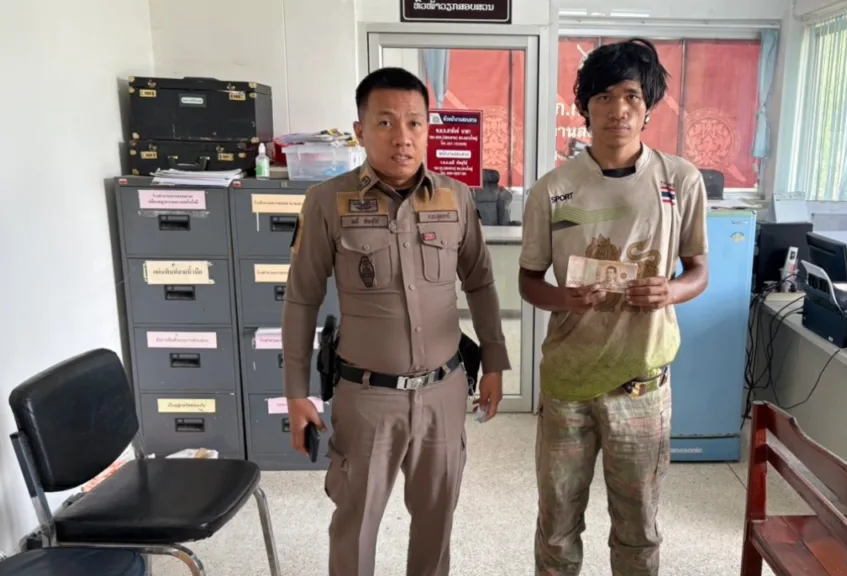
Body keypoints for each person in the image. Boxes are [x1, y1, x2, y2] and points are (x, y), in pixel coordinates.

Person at [281, 67, 510, 576]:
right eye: (385, 123)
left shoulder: (456, 197)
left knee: (436, 523)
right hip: (367, 399)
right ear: (360, 131)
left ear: (428, 129)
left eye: (414, 123)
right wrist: (296, 393)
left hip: (444, 393)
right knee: (355, 525)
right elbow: (301, 300)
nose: (402, 138)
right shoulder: (328, 202)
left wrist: (494, 362)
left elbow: (480, 283)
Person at [518, 38, 710, 575]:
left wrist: (670, 291)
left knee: (638, 528)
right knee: (557, 525)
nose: (618, 109)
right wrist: (565, 297)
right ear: (585, 107)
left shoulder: (680, 181)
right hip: (568, 382)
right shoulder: (553, 189)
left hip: (642, 383)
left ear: (648, 107)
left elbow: (698, 272)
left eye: (631, 96)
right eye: (603, 96)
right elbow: (529, 282)